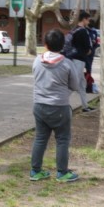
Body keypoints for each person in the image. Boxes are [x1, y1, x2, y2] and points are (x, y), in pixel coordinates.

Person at [29, 29, 82, 182]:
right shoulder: (67, 63)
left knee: (40, 138)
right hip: (59, 107)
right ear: (62, 45)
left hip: (39, 105)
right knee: (62, 139)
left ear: (45, 44)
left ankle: (35, 170)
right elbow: (75, 85)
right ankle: (62, 172)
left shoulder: (37, 60)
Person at [64, 11, 94, 112]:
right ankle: (60, 101)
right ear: (84, 19)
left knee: (82, 83)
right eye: (88, 19)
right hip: (79, 60)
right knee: (75, 83)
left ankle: (85, 106)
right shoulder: (83, 31)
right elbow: (88, 49)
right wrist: (89, 51)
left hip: (72, 58)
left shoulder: (74, 29)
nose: (89, 22)